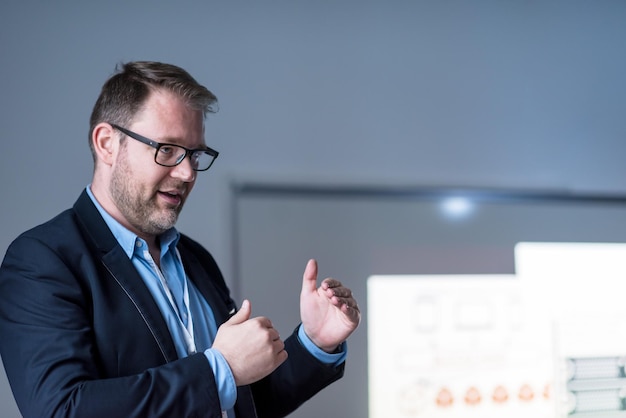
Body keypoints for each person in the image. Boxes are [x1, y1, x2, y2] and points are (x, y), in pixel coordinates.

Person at [0, 61, 360, 418]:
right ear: (107, 143)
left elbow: (240, 401)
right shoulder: (43, 261)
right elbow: (63, 409)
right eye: (167, 149)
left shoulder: (195, 259)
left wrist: (315, 343)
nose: (187, 173)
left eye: (195, 154)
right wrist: (220, 369)